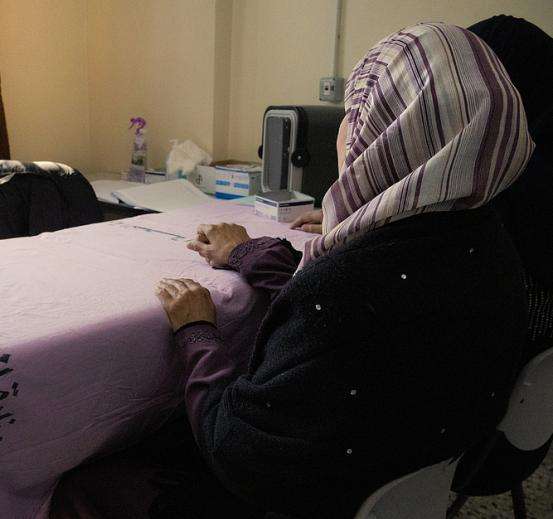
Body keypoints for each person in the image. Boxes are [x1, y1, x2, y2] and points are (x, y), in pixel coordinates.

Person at [51, 22, 533, 519]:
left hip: (303, 495)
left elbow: (233, 448)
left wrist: (197, 332)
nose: (348, 129)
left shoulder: (350, 288)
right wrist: (247, 254)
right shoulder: (486, 244)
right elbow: (354, 312)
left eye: (358, 112)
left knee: (80, 479)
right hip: (407, 472)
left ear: (393, 132)